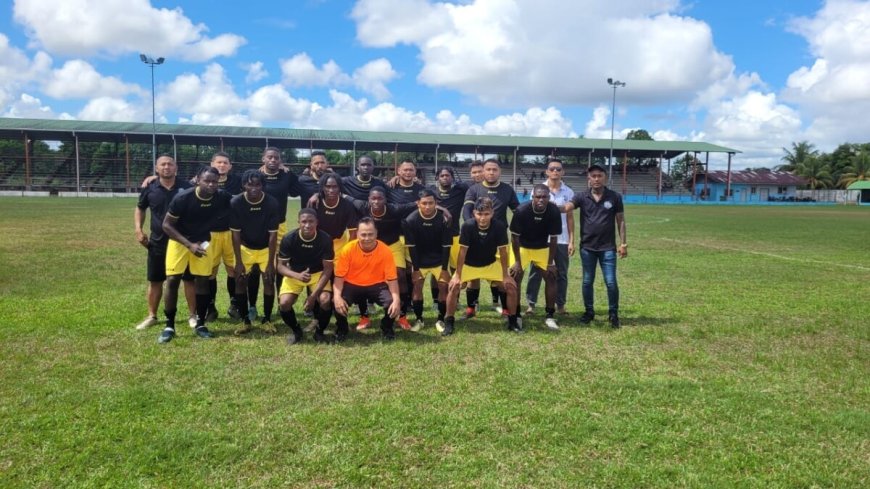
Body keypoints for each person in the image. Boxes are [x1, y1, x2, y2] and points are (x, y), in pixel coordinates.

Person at [158, 166, 232, 343]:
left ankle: (200, 323)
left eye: (214, 181)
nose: (211, 184)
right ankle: (169, 325)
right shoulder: (183, 198)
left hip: (203, 244)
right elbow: (167, 225)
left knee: (202, 281)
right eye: (207, 180)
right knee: (173, 280)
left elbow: (240, 201)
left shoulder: (221, 196)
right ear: (198, 180)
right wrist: (188, 244)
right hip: (180, 242)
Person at [133, 155, 197, 330]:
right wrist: (138, 229)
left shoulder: (187, 187)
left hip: (183, 242)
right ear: (156, 168)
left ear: (176, 168)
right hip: (158, 243)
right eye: (163, 164)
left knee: (189, 280)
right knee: (156, 280)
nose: (166, 167)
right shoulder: (150, 187)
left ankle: (193, 315)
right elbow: (140, 208)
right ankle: (152, 316)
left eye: (170, 164)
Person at [560, 163, 627, 328]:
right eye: (593, 176)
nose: (596, 179)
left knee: (611, 282)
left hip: (608, 248)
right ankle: (589, 312)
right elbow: (568, 207)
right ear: (588, 179)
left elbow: (621, 220)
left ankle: (613, 314)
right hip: (588, 248)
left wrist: (623, 243)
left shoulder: (614, 197)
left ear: (605, 177)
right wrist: (550, 207)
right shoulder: (582, 196)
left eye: (599, 176)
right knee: (587, 281)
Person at [443, 197, 519, 336]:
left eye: (486, 214)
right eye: (479, 214)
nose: (483, 218)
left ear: (492, 213)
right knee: (453, 287)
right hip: (469, 265)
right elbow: (462, 253)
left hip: (490, 264)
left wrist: (505, 275)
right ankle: (449, 322)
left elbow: (503, 252)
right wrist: (458, 276)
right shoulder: (468, 226)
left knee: (511, 287)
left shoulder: (499, 226)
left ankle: (513, 322)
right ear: (474, 213)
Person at [348, 187, 417, 331]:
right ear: (368, 200)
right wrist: (317, 194)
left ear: (386, 200)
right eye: (373, 198)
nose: (376, 201)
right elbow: (346, 197)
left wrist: (443, 209)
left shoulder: (395, 209)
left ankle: (402, 316)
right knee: (362, 277)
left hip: (393, 246)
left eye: (380, 198)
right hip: (371, 247)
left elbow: (418, 203)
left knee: (400, 276)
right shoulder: (362, 206)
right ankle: (364, 317)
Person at [461, 158, 519, 318]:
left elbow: (518, 211)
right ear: (483, 171)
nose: (491, 172)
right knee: (473, 276)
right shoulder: (474, 189)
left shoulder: (507, 189)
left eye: (495, 169)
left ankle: (505, 309)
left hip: (498, 241)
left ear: (499, 171)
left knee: (501, 276)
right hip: (476, 239)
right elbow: (466, 211)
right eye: (488, 169)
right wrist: (472, 228)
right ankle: (471, 309)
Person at [332, 218, 402, 341]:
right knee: (336, 302)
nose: (367, 238)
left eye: (370, 234)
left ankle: (386, 327)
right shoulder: (348, 249)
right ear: (357, 234)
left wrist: (396, 299)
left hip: (376, 285)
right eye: (363, 234)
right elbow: (339, 278)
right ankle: (342, 329)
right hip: (352, 284)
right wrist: (337, 297)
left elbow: (392, 279)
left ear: (376, 233)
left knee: (393, 303)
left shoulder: (385, 251)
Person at [229, 170, 280, 335]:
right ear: (244, 185)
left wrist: (271, 263)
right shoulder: (236, 202)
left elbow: (273, 236)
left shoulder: (272, 203)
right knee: (240, 281)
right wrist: (238, 261)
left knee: (268, 280)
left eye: (258, 184)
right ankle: (245, 321)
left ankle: (267, 319)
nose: (254, 188)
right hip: (245, 248)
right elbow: (235, 234)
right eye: (250, 184)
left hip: (266, 248)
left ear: (262, 186)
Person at [276, 208, 335, 344]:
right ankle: (297, 331)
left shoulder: (325, 239)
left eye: (311, 221)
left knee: (325, 300)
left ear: (317, 222)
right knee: (284, 303)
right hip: (295, 274)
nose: (307, 225)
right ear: (298, 222)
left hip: (318, 274)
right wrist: (297, 275)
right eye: (304, 222)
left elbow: (327, 269)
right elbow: (280, 266)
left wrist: (313, 297)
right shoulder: (289, 238)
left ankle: (319, 332)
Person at [509, 184, 562, 330]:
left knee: (551, 277)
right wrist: (518, 262)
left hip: (541, 248)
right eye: (538, 197)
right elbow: (514, 238)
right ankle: (516, 315)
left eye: (544, 197)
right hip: (522, 247)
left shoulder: (553, 211)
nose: (541, 200)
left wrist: (551, 262)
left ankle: (550, 316)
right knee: (515, 277)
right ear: (532, 197)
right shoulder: (521, 210)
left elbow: (553, 238)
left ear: (549, 198)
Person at [526, 158, 574, 316]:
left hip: (561, 239)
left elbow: (570, 218)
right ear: (547, 171)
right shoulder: (538, 190)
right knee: (536, 273)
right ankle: (531, 305)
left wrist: (571, 240)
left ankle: (560, 305)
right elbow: (531, 214)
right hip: (540, 239)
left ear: (563, 172)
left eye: (558, 169)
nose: (555, 171)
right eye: (552, 168)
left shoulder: (568, 192)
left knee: (561, 273)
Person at [402, 189, 452, 332]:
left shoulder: (444, 218)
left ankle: (441, 319)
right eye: (424, 203)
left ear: (436, 203)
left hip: (438, 260)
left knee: (443, 287)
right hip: (420, 261)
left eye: (431, 203)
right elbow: (412, 248)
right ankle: (419, 319)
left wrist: (444, 269)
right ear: (418, 204)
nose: (428, 206)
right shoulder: (410, 220)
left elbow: (446, 246)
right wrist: (416, 269)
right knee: (417, 287)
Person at [205, 151, 243, 321]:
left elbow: (257, 180)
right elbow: (180, 184)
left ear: (230, 166)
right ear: (212, 164)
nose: (221, 165)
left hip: (230, 232)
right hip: (209, 234)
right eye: (218, 162)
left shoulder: (237, 182)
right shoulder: (202, 181)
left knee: (233, 270)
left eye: (225, 162)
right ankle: (210, 307)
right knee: (210, 271)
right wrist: (153, 178)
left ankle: (234, 305)